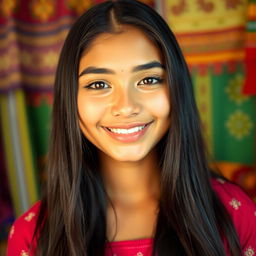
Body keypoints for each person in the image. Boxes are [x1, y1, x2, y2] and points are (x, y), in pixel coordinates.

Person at [7, 1, 256, 255]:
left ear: (177, 88)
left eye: (149, 80)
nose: (126, 107)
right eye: (99, 85)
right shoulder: (32, 236)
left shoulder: (234, 213)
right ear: (70, 99)